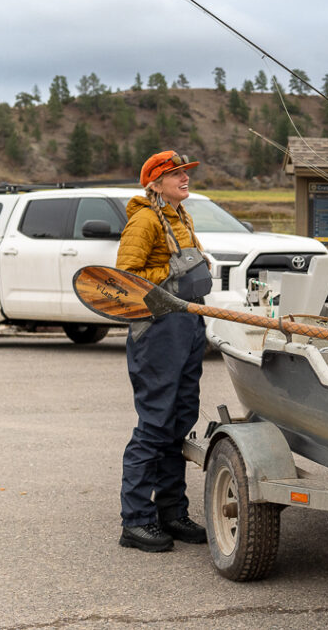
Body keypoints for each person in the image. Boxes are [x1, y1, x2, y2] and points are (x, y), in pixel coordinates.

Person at [115, 150, 212, 552]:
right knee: (155, 423)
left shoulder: (180, 215)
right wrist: (173, 273)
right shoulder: (144, 220)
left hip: (187, 323)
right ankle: (135, 522)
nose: (184, 178)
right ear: (154, 183)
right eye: (175, 174)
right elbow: (126, 278)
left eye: (186, 172)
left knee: (179, 420)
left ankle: (171, 514)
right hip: (157, 328)